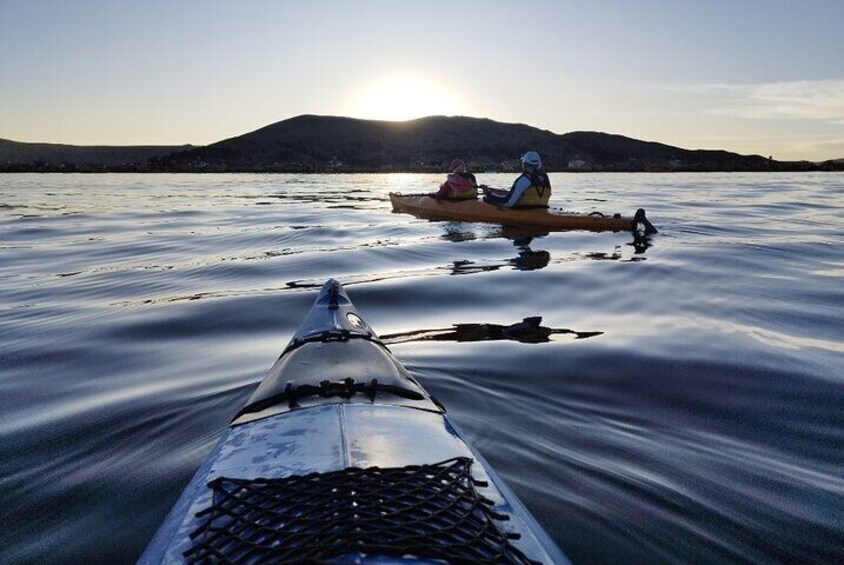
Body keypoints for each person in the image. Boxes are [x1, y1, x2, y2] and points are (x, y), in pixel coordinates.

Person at [482, 151, 551, 208]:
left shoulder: (524, 179)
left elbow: (508, 203)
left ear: (524, 164)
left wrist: (488, 194)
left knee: (487, 199)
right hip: (542, 209)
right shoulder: (545, 177)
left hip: (525, 212)